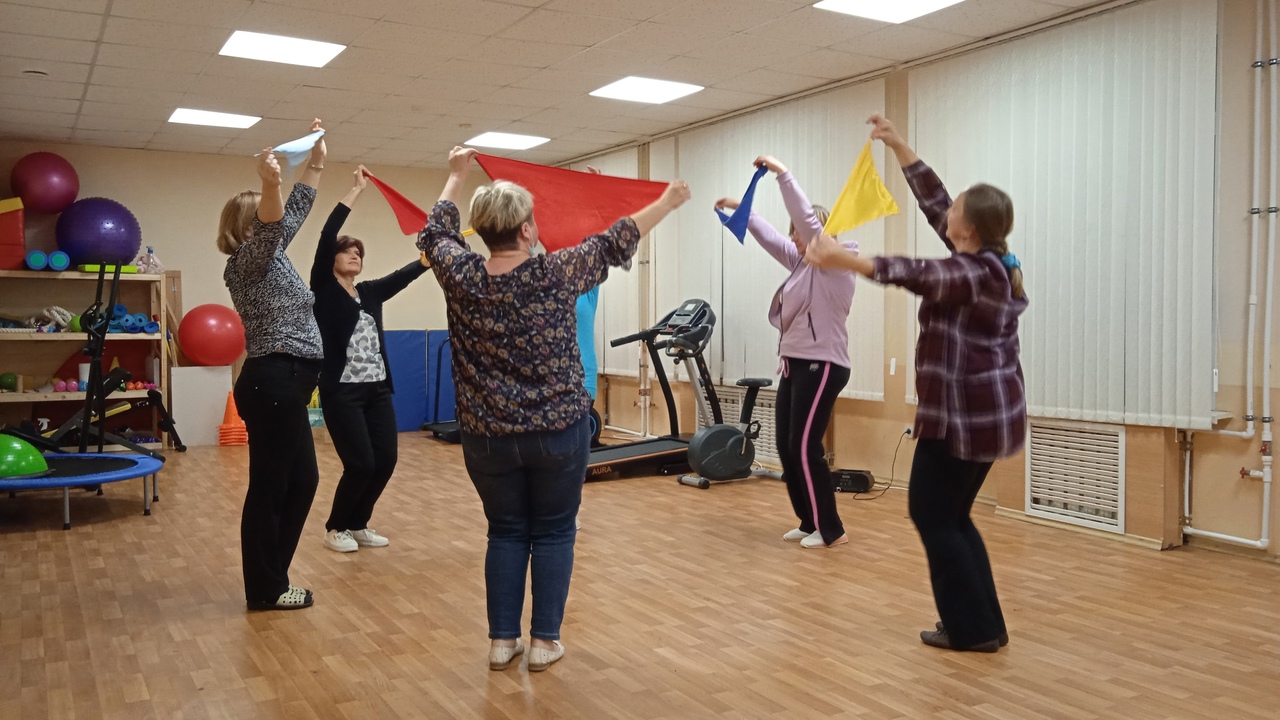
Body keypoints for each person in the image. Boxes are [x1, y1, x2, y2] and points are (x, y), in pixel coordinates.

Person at [418, 146, 689, 672]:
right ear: (525, 231)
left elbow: (434, 234)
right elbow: (616, 240)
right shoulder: (556, 273)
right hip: (557, 431)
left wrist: (454, 176)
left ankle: (502, 642)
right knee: (554, 531)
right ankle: (544, 642)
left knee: (505, 531)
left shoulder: (461, 275)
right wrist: (668, 202)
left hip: (487, 436)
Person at [803, 114, 1027, 653]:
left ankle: (972, 629)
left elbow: (919, 273)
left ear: (969, 229)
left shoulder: (975, 273)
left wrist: (843, 259)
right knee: (951, 517)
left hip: (962, 421)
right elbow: (936, 200)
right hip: (979, 417)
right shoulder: (986, 260)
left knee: (933, 514)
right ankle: (982, 625)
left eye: (957, 212)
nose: (948, 213)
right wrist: (899, 145)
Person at [715, 156, 857, 549]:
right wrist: (743, 210)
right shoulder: (802, 264)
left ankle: (831, 530)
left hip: (823, 364)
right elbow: (771, 239)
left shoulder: (837, 266)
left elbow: (808, 225)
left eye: (800, 234)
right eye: (794, 234)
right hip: (795, 364)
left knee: (806, 447)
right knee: (786, 445)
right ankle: (809, 521)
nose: (794, 240)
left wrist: (782, 174)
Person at [217, 119, 326, 611]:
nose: (280, 224)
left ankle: (273, 578)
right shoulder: (247, 262)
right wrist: (270, 184)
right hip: (274, 382)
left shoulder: (273, 256)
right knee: (271, 487)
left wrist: (315, 162)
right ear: (248, 227)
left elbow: (292, 212)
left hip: (286, 385)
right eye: (266, 220)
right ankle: (266, 588)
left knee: (301, 481)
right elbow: (273, 223)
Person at [311, 165, 432, 553]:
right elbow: (326, 234)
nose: (354, 255)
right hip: (342, 392)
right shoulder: (324, 290)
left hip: (377, 390)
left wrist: (426, 261)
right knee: (360, 463)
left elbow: (401, 277)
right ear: (332, 258)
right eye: (347, 251)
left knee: (385, 460)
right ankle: (336, 528)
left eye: (358, 253)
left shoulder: (368, 292)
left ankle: (358, 523)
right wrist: (356, 191)